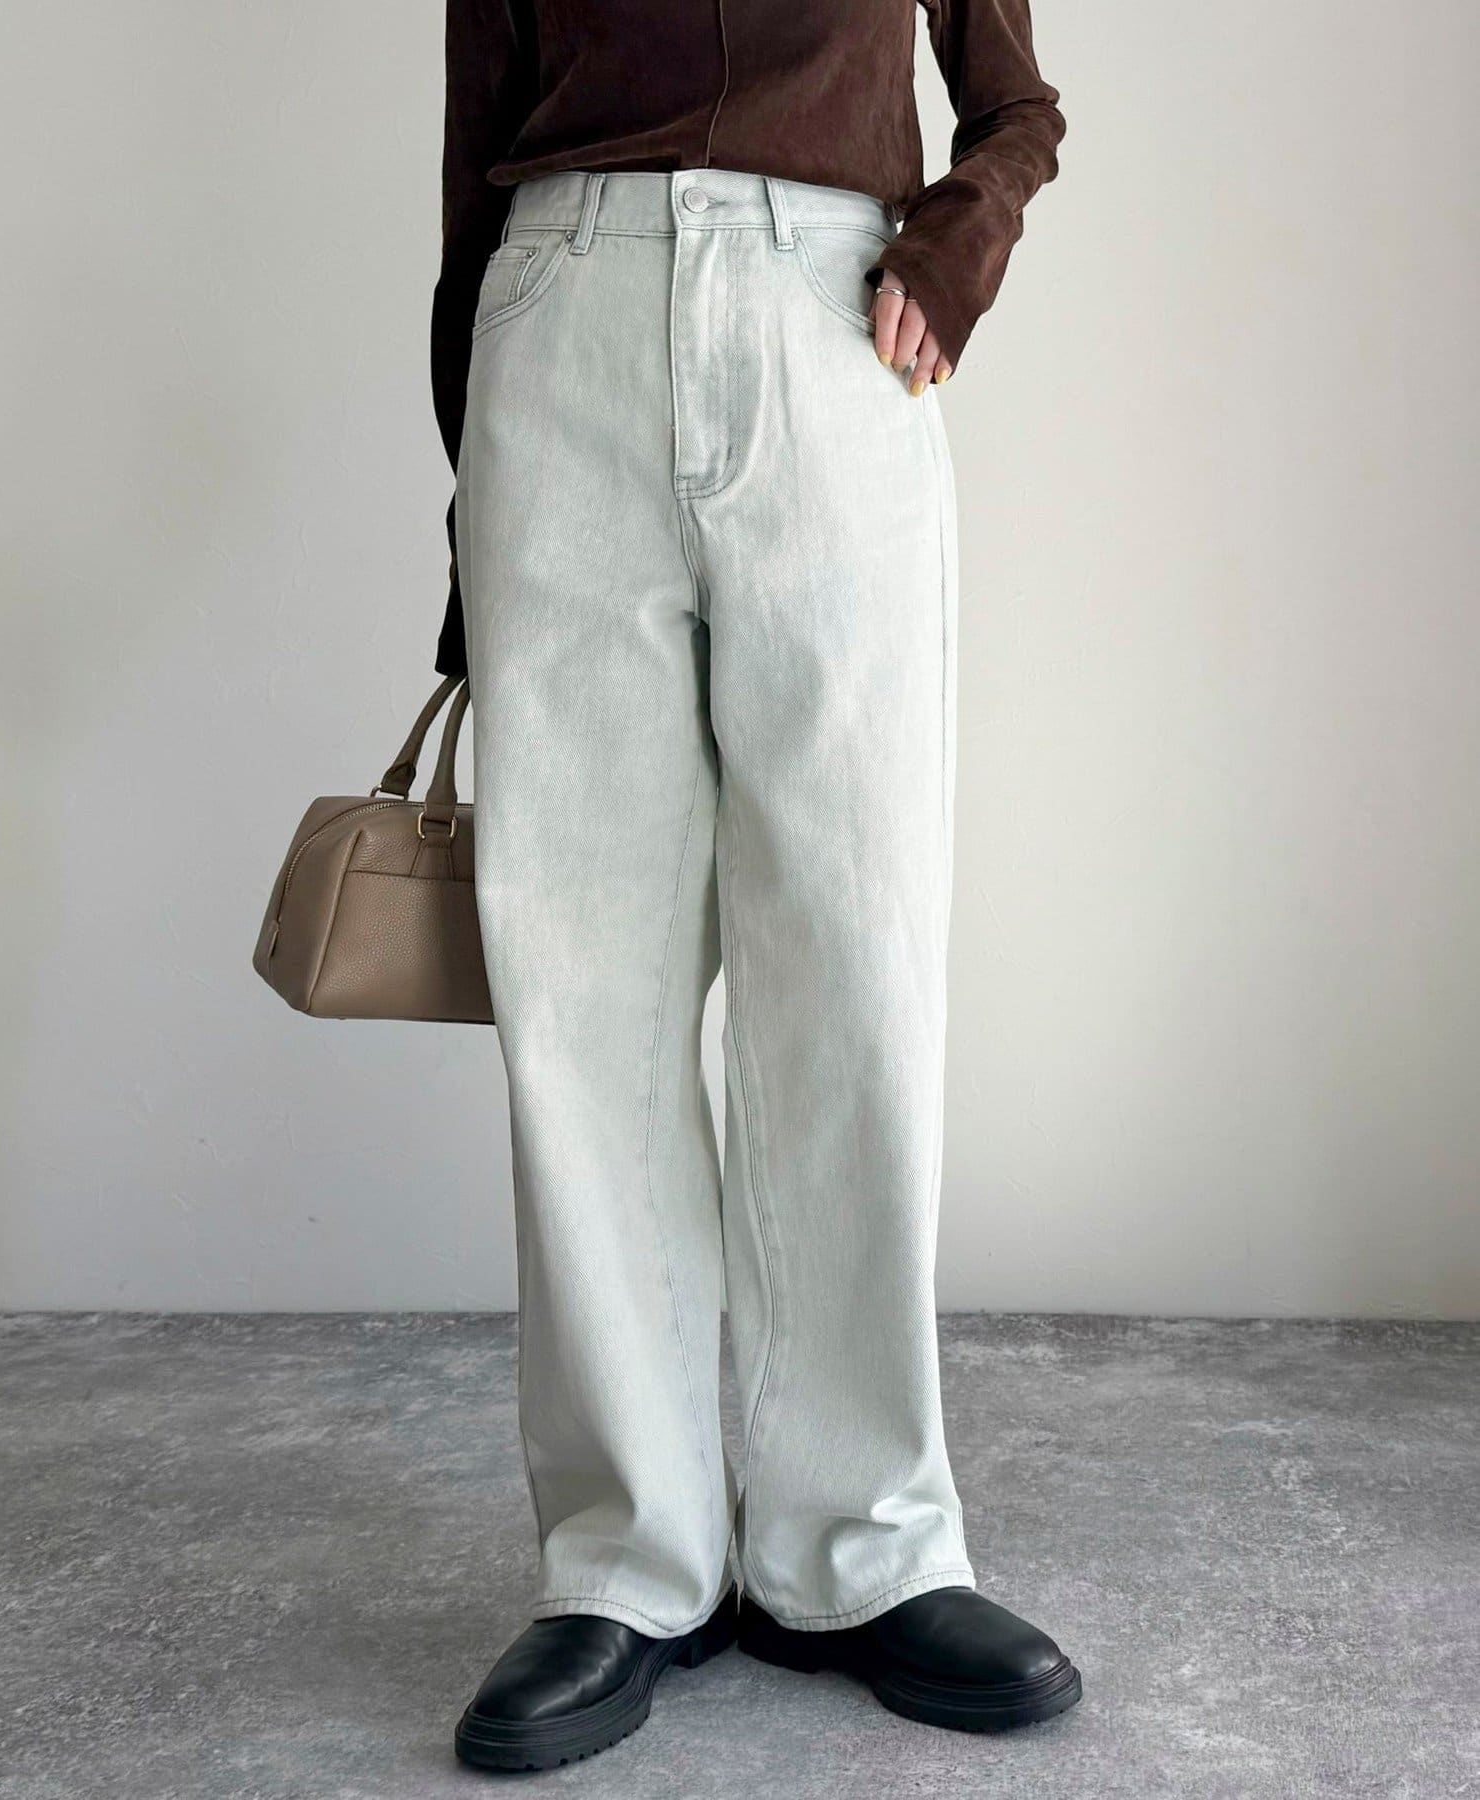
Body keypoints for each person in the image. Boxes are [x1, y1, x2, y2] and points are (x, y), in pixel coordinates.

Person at [431, 1, 1078, 1772]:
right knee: (584, 992)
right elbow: (475, 143)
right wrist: (468, 502)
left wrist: (958, 243)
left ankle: (861, 1548)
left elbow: (1016, 103)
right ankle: (627, 1561)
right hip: (560, 321)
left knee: (856, 965)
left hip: (831, 318)